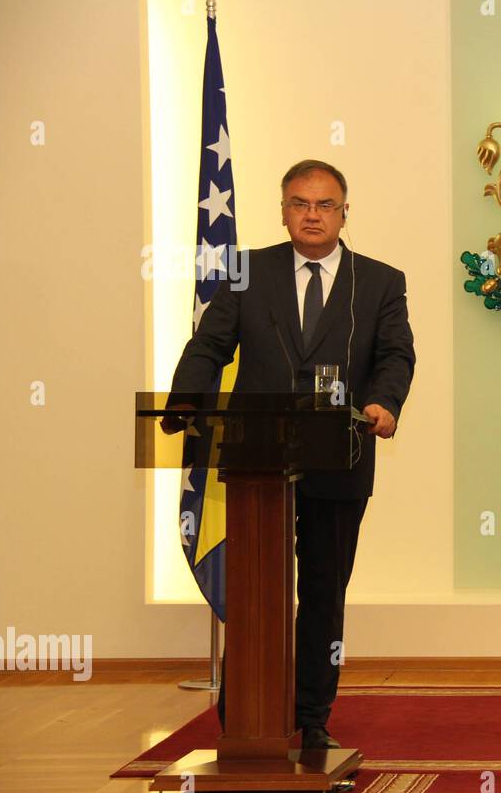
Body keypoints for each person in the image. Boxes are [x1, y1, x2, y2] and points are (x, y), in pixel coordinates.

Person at [168, 159, 415, 750]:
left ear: (343, 212)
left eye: (324, 205)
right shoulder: (248, 273)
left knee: (323, 593)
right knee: (256, 591)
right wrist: (184, 402)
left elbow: (396, 354)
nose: (312, 214)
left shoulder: (380, 280)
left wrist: (384, 402)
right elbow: (209, 345)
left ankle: (311, 718)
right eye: (300, 204)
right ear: (282, 211)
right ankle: (248, 716)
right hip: (259, 466)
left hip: (341, 459)